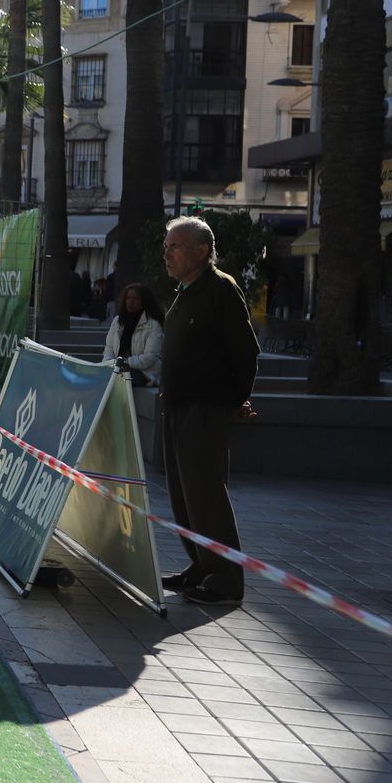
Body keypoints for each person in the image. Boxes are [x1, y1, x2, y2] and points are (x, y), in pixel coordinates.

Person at [158, 216, 260, 607]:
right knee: (184, 497)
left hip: (203, 410)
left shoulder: (221, 289)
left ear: (202, 251)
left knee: (206, 495)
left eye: (175, 246)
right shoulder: (185, 291)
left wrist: (233, 400)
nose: (167, 253)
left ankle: (225, 579)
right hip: (177, 408)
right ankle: (201, 566)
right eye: (166, 246)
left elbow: (245, 351)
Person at [103, 282, 166, 388]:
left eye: (135, 298)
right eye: (128, 298)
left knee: (120, 380)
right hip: (117, 368)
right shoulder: (118, 321)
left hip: (144, 373)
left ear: (144, 301)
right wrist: (109, 364)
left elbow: (150, 356)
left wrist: (126, 363)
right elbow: (109, 348)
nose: (130, 302)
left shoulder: (153, 325)